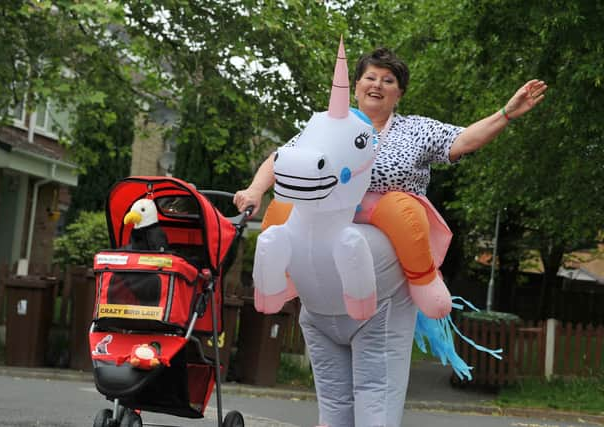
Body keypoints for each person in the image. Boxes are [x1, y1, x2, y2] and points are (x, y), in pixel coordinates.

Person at [234, 47, 547, 320]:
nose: (378, 85)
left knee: (400, 208)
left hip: (383, 212)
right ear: (356, 85)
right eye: (371, 77)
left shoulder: (414, 129)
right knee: (285, 206)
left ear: (399, 93)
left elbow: (463, 140)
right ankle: (280, 282)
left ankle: (424, 280)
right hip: (331, 212)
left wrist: (506, 113)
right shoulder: (329, 128)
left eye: (388, 80)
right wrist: (255, 190)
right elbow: (283, 158)